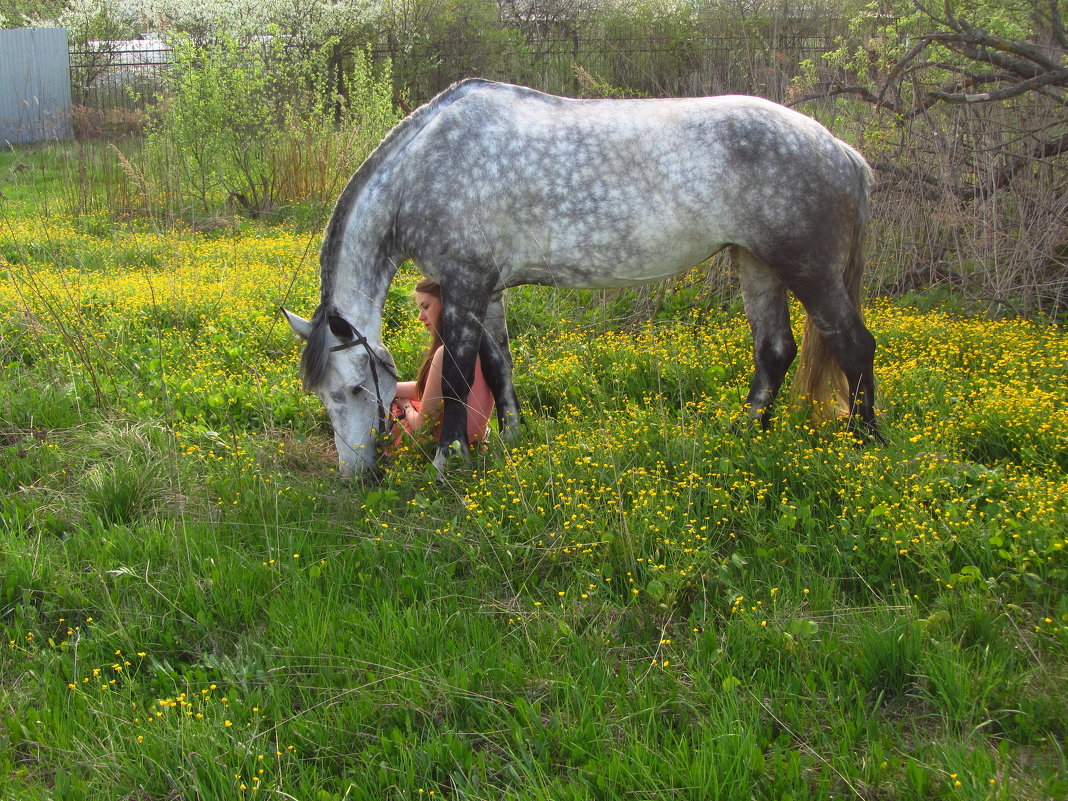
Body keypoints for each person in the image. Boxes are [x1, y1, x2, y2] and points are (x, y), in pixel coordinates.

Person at [390, 279, 495, 451]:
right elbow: (430, 392)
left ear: (447, 304)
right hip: (477, 447)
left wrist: (405, 404)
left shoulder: (446, 353)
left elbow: (421, 428)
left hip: (443, 448)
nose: (420, 316)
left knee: (390, 409)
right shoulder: (482, 346)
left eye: (426, 306)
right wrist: (390, 388)